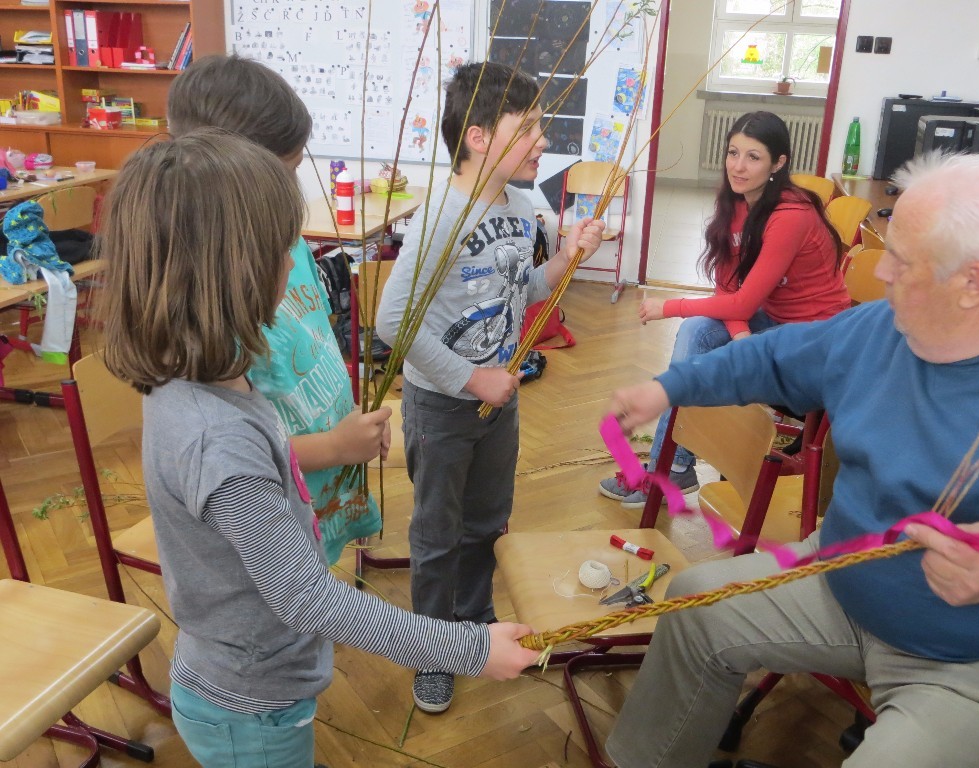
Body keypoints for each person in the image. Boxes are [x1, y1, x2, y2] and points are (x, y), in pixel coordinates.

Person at [98, 131, 539, 768]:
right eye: (284, 247)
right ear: (233, 274)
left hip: (254, 685)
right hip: (252, 707)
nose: (295, 261)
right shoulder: (216, 439)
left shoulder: (203, 374)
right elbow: (307, 598)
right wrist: (466, 649)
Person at [603, 151, 979, 768]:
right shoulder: (882, 328)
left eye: (901, 260)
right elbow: (773, 357)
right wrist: (668, 388)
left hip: (978, 660)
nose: (880, 272)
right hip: (840, 578)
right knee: (695, 608)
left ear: (973, 282)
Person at [376, 61, 605, 714]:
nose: (542, 140)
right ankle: (432, 646)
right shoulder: (440, 217)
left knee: (485, 523)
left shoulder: (522, 207)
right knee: (437, 535)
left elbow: (523, 288)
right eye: (527, 127)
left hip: (498, 406)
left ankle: (474, 624)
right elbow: (393, 320)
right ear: (477, 138)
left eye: (541, 126)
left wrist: (566, 259)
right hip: (442, 407)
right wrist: (471, 377)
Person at [166, 54, 385, 565]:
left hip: (327, 490)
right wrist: (335, 447)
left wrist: (352, 427)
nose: (295, 189)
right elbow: (239, 451)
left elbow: (316, 337)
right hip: (277, 517)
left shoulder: (286, 248)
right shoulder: (207, 311)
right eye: (284, 173)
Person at [599, 111, 850, 509]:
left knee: (704, 340)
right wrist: (740, 334)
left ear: (778, 164)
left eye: (753, 157)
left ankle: (669, 467)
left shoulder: (791, 216)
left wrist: (670, 306)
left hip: (817, 339)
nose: (738, 166)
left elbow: (744, 302)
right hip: (774, 321)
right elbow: (729, 287)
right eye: (733, 152)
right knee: (697, 332)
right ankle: (674, 467)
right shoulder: (738, 202)